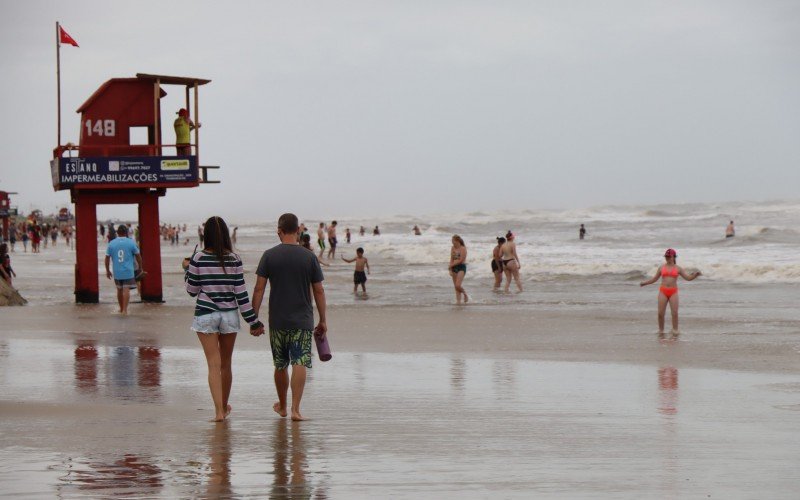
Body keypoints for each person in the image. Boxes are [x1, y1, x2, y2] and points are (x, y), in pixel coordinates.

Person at [184, 216, 263, 422]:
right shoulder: (234, 259)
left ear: (206, 235)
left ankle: (218, 411)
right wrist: (253, 321)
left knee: (213, 364)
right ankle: (224, 407)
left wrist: (187, 270)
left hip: (206, 314)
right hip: (229, 315)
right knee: (226, 364)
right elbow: (241, 294)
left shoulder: (198, 258)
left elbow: (192, 290)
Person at [251, 213, 327, 422]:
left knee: (280, 364)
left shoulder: (269, 255)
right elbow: (319, 291)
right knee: (300, 360)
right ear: (298, 231)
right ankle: (295, 409)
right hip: (302, 320)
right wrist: (323, 320)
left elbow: (259, 289)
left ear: (279, 230)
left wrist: (253, 319)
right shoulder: (309, 257)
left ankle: (282, 406)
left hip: (278, 320)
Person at [639, 248, 702, 335]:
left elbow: (688, 278)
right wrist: (644, 283)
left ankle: (675, 330)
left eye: (669, 256)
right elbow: (654, 279)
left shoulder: (678, 268)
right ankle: (661, 331)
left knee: (674, 313)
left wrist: (695, 275)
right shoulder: (661, 267)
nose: (667, 258)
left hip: (673, 292)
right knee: (660, 313)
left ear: (673, 257)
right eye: (666, 256)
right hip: (663, 291)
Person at [104, 225, 142, 315]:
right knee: (126, 289)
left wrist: (107, 270)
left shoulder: (112, 243)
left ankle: (121, 309)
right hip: (128, 271)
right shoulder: (131, 242)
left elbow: (107, 258)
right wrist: (140, 267)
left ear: (117, 232)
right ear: (126, 232)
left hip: (117, 271)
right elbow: (138, 256)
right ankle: (125, 310)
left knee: (119, 290)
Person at [449, 235, 469, 304]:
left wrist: (451, 265)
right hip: (454, 267)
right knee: (456, 288)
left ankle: (465, 294)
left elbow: (461, 260)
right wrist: (450, 269)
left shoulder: (463, 248)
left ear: (457, 241)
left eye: (453, 241)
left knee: (458, 285)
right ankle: (458, 302)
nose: (452, 242)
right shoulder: (452, 248)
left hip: (461, 267)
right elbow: (451, 259)